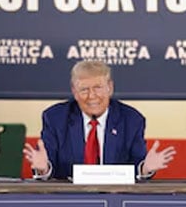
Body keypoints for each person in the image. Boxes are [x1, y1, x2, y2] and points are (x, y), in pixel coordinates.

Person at [23, 60, 176, 179]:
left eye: (98, 88)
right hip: (69, 200)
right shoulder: (55, 118)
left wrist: (145, 169)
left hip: (114, 200)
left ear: (110, 88)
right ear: (74, 92)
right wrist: (43, 168)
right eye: (84, 89)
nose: (92, 96)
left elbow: (136, 167)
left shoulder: (131, 120)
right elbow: (48, 166)